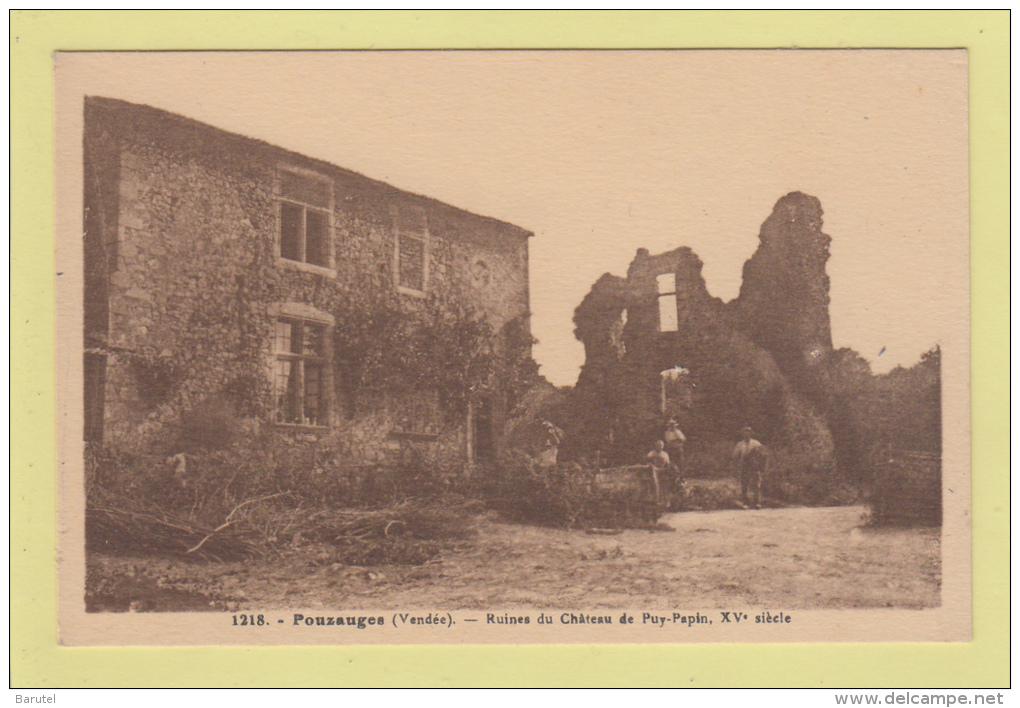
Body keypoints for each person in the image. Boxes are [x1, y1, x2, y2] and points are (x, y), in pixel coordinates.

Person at [733, 426, 766, 508]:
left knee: (756, 484)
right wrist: (737, 465)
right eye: (745, 432)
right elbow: (735, 456)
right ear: (742, 433)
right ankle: (745, 503)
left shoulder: (756, 443)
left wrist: (760, 466)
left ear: (751, 433)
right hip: (744, 466)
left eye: (748, 432)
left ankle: (757, 503)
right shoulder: (740, 444)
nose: (747, 434)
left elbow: (762, 455)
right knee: (744, 485)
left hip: (754, 466)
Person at [645, 440, 670, 506]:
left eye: (661, 445)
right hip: (653, 471)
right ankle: (655, 500)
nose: (660, 447)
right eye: (658, 445)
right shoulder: (651, 454)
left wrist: (664, 469)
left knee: (665, 483)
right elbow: (648, 464)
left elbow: (667, 465)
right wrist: (654, 468)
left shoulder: (665, 454)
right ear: (655, 446)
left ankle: (666, 501)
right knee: (654, 482)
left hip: (663, 471)